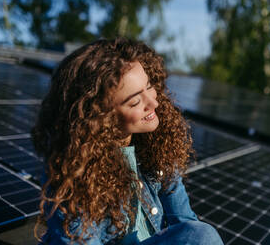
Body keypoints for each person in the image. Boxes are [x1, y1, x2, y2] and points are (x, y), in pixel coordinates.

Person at [32, 37, 224, 245]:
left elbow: (186, 224)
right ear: (100, 117)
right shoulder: (74, 173)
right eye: (135, 102)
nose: (153, 102)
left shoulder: (156, 148)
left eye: (149, 86)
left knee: (201, 235)